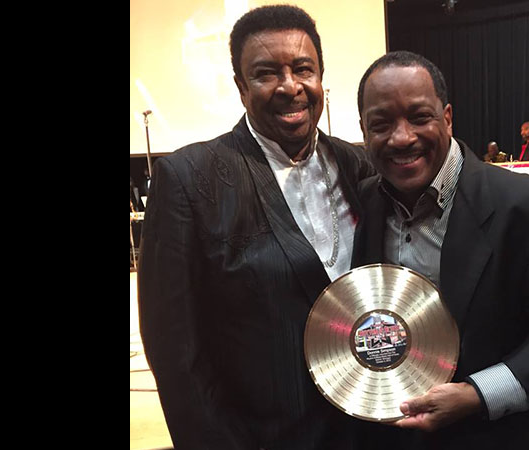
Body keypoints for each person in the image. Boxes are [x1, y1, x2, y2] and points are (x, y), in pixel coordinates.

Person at [137, 5, 374, 449]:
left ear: (321, 76)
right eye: (267, 73)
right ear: (241, 88)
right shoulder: (192, 177)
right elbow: (174, 350)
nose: (290, 86)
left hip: (369, 429)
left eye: (303, 69)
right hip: (265, 437)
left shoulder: (358, 165)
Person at [352, 50, 529, 449]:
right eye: (381, 124)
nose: (402, 137)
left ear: (448, 117)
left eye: (419, 117)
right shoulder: (367, 200)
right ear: (364, 131)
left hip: (501, 437)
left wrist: (478, 395)